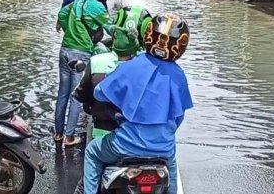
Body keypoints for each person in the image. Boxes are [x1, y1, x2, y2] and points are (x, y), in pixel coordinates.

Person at [83, 13, 193, 194]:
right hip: (163, 149)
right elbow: (178, 118)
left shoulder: (132, 65)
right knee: (172, 177)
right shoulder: (179, 76)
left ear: (149, 35)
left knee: (92, 153)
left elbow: (99, 93)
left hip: (124, 145)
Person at [55, 0, 117, 146]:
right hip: (80, 53)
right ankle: (69, 137)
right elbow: (111, 29)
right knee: (76, 96)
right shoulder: (97, 7)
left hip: (65, 49)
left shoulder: (79, 1)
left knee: (62, 94)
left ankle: (58, 134)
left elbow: (61, 14)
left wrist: (72, 32)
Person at [74, 6, 152, 139]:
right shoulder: (151, 67)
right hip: (140, 138)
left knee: (91, 156)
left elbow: (82, 95)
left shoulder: (96, 62)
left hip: (102, 134)